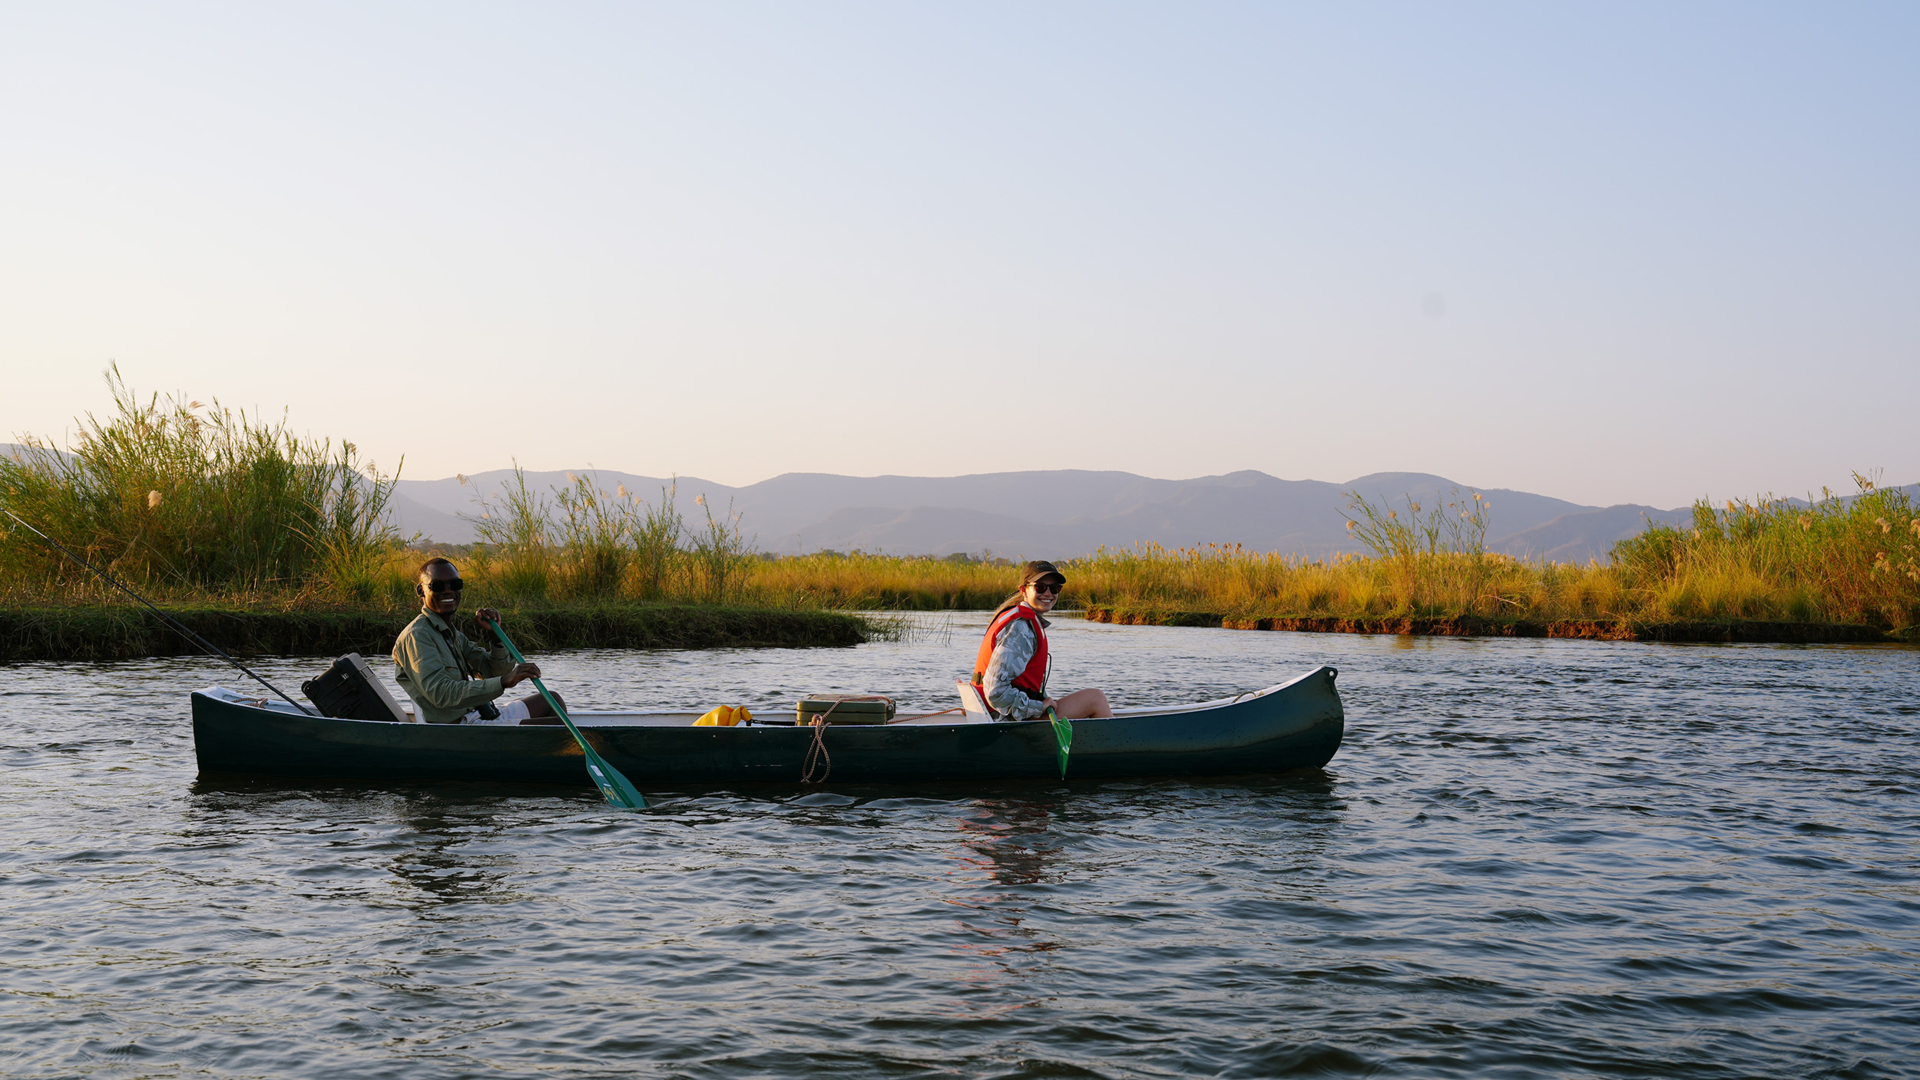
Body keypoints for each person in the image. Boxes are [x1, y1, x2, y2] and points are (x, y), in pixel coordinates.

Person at [391, 557, 565, 725]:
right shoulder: (417, 636)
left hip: (478, 714)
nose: (448, 591)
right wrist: (505, 681)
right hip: (459, 727)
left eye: (455, 584)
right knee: (559, 727)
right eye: (437, 586)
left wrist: (495, 636)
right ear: (421, 590)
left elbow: (494, 671)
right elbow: (441, 694)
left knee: (552, 700)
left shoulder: (452, 634)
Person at [972, 560, 1113, 722]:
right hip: (1003, 720)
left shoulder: (1017, 618)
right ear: (1023, 590)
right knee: (1095, 698)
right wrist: (1037, 707)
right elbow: (995, 691)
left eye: (1054, 588)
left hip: (996, 714)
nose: (1048, 593)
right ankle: (1117, 745)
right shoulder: (1020, 628)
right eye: (1040, 587)